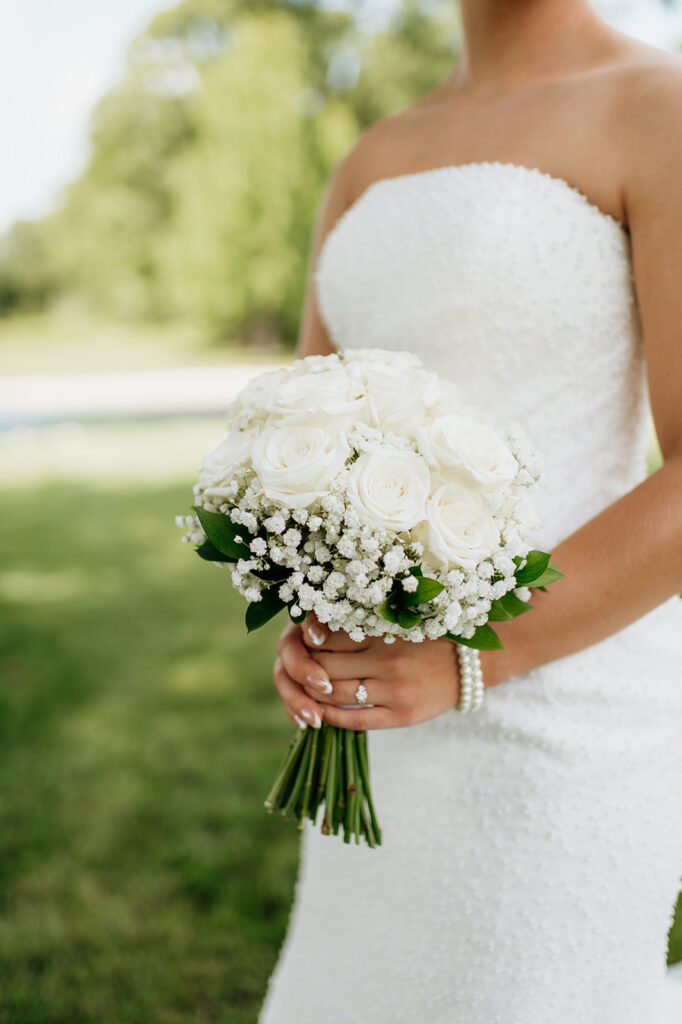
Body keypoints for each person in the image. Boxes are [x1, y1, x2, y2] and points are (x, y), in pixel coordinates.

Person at [258, 1, 682, 1020]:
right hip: (378, 730)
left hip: (560, 729)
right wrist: (306, 613)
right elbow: (310, 438)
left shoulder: (655, 109)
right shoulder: (370, 159)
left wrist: (472, 655)